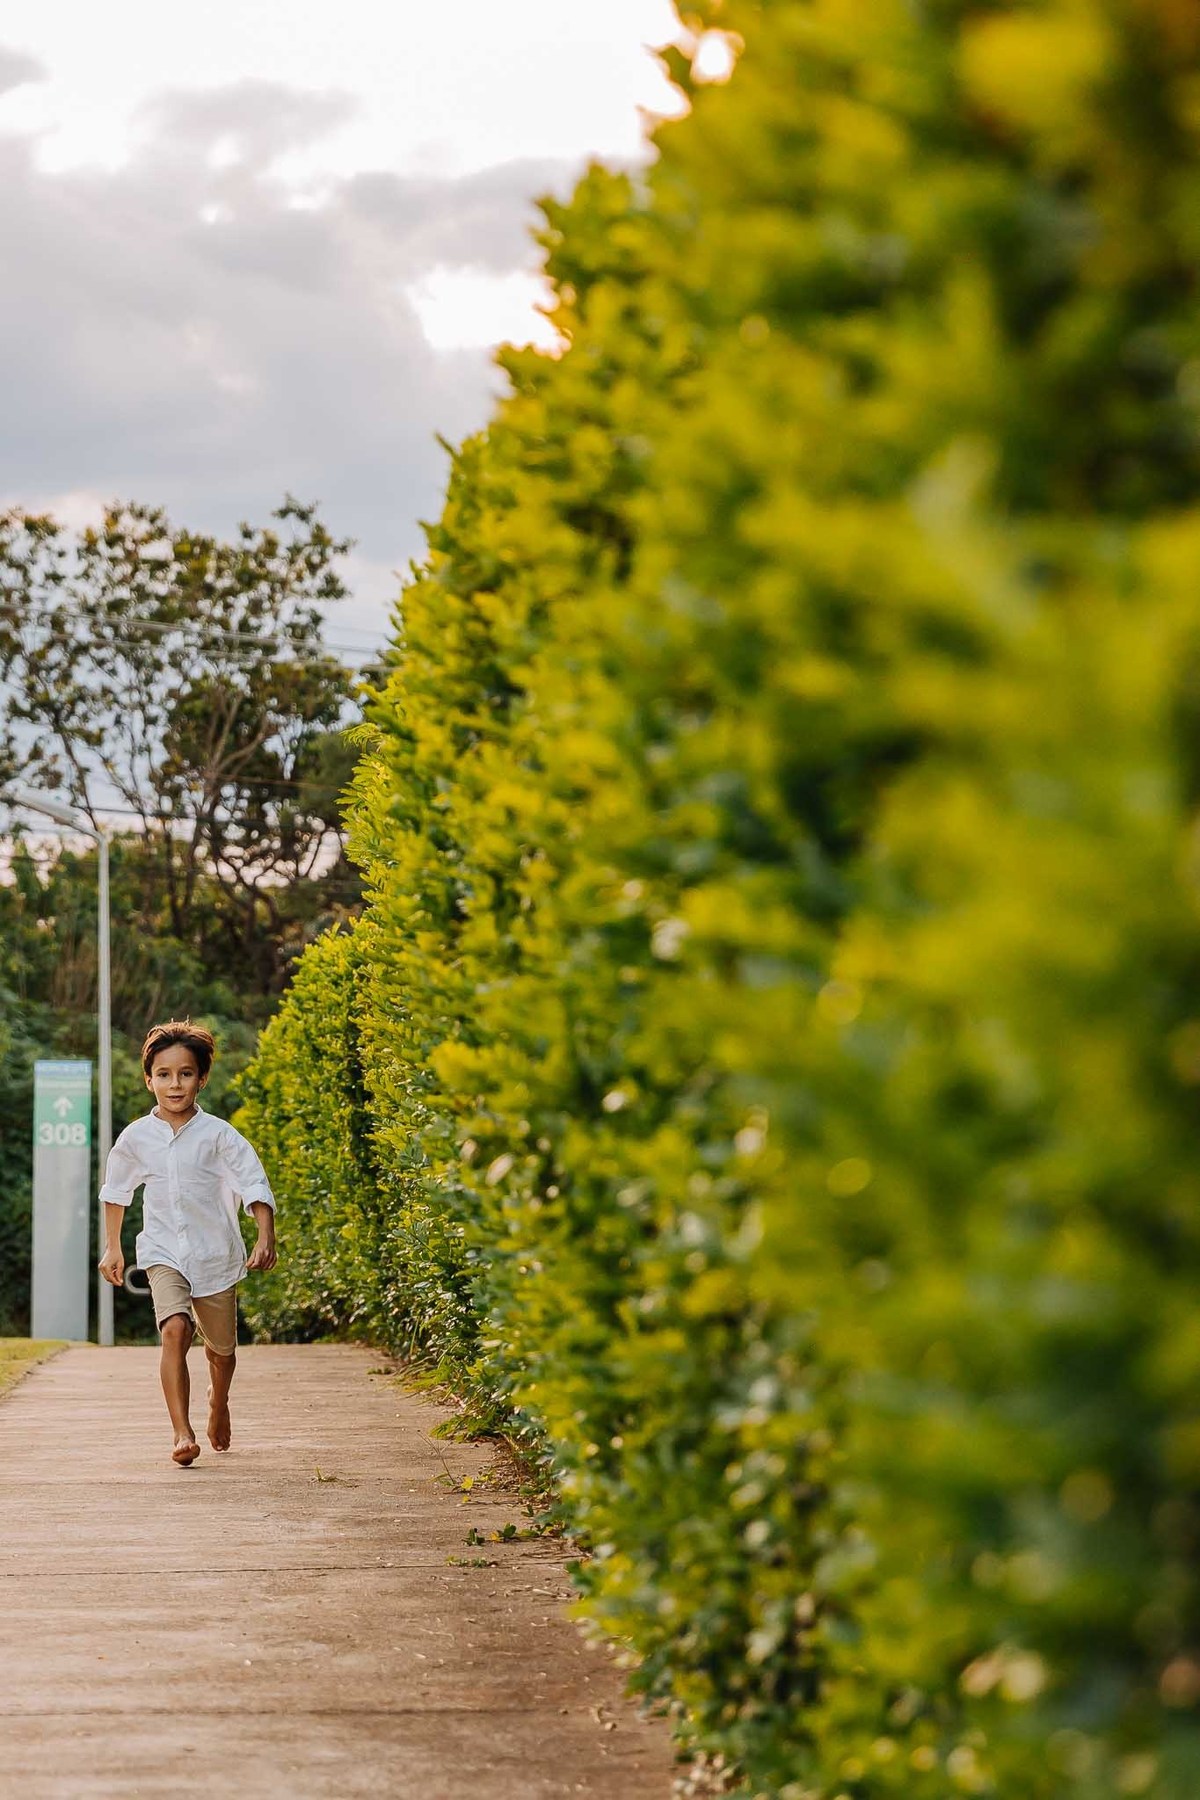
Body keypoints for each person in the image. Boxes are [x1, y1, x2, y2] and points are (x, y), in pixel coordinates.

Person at [97, 1018, 278, 1466]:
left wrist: (265, 1234)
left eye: (185, 1074)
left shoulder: (219, 1135)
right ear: (149, 1080)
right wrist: (113, 1246)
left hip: (215, 1254)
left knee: (222, 1352)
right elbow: (117, 1191)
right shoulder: (136, 1137)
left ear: (202, 1078)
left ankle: (219, 1401)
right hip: (162, 1251)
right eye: (163, 1074)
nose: (174, 1084)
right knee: (174, 1328)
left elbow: (253, 1182)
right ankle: (181, 1432)